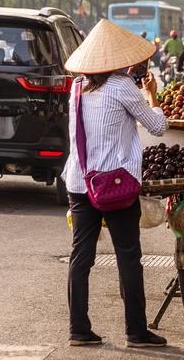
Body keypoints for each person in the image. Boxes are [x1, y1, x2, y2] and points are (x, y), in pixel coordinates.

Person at [61, 18, 169, 349]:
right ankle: (136, 332)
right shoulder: (122, 86)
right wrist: (151, 95)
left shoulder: (77, 88)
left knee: (81, 256)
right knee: (128, 256)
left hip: (80, 181)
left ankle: (78, 330)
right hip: (115, 185)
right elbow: (158, 126)